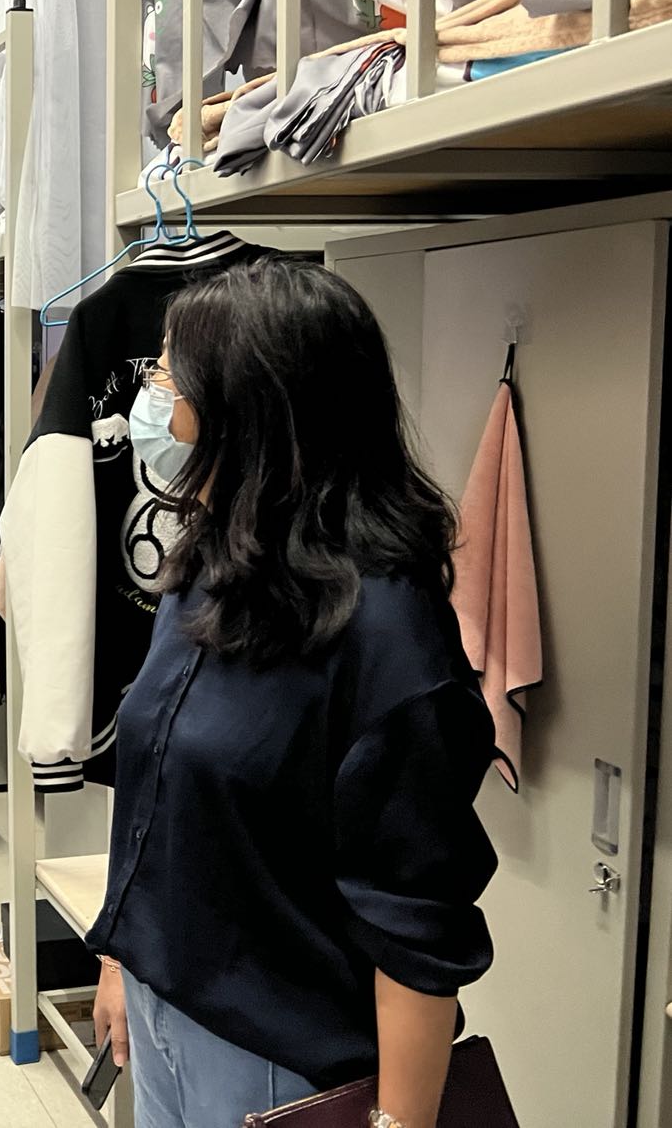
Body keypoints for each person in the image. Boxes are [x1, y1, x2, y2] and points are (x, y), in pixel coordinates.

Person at [88, 256, 499, 1128]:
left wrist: (397, 1123)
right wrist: (124, 958)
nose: (156, 399)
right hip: (165, 1013)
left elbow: (416, 921)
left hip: (281, 1063)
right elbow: (155, 785)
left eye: (171, 378)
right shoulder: (210, 562)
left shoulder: (388, 632)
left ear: (250, 409)